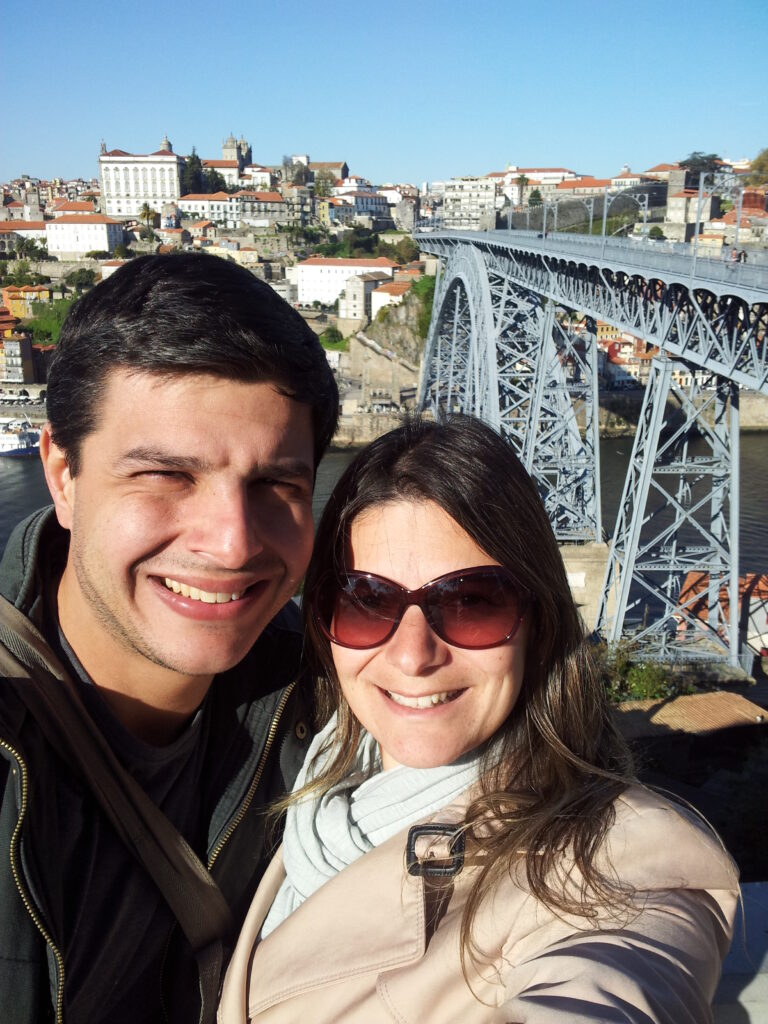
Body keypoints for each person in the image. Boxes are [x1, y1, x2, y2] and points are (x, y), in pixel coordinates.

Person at [219, 416, 738, 1024]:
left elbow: (615, 976)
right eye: (367, 601)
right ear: (323, 617)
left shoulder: (616, 869)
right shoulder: (311, 777)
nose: (413, 656)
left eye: (471, 602)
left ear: (539, 623)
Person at [0, 253, 339, 1024]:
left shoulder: (343, 691)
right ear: (63, 475)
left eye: (275, 485)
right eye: (165, 476)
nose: (232, 542)